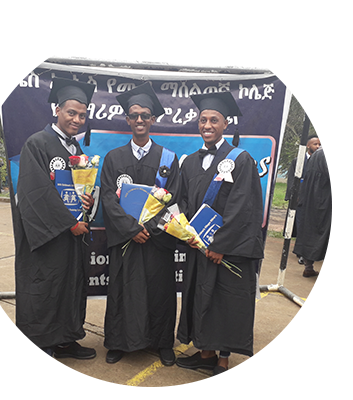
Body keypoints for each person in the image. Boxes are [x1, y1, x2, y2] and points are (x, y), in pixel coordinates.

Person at [175, 91, 264, 383]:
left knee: (225, 302)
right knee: (201, 298)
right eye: (203, 120)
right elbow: (183, 202)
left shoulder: (240, 159)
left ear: (226, 124)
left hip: (227, 249)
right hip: (198, 246)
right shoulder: (189, 162)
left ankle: (222, 361)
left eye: (214, 120)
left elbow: (243, 207)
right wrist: (185, 232)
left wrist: (220, 244)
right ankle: (205, 354)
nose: (207, 125)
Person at [14, 77, 96, 367]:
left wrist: (88, 202)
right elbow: (35, 193)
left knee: (69, 287)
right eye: (71, 113)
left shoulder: (77, 151)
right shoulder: (37, 143)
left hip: (71, 238)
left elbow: (79, 190)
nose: (77, 119)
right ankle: (42, 348)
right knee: (46, 290)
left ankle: (65, 339)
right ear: (57, 110)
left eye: (82, 115)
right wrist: (69, 223)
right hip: (48, 237)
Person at [100, 82, 181, 366]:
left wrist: (150, 228)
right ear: (127, 119)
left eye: (145, 115)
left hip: (156, 241)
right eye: (134, 115)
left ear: (153, 119)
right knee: (123, 290)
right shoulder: (114, 158)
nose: (139, 120)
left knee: (160, 292)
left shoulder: (168, 159)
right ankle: (118, 342)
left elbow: (174, 199)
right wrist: (132, 229)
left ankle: (163, 342)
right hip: (127, 239)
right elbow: (107, 198)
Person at [293, 146, 331, 277]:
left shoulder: (317, 153)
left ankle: (308, 267)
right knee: (324, 232)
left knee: (311, 231)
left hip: (312, 199)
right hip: (326, 200)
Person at [285, 135, 322, 264]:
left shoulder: (321, 161)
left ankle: (309, 251)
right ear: (308, 145)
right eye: (315, 144)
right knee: (300, 225)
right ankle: (301, 252)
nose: (318, 147)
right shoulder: (298, 160)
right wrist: (292, 196)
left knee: (312, 225)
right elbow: (292, 179)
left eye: (319, 144)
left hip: (315, 200)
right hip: (300, 199)